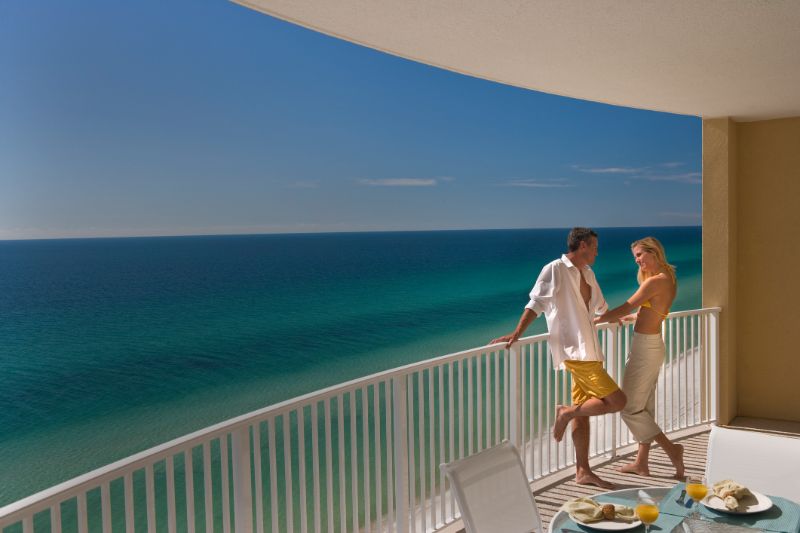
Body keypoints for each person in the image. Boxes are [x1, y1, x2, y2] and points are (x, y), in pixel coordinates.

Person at [491, 227, 626, 489]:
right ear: (583, 245)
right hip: (576, 351)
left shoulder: (588, 272)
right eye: (595, 247)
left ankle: (582, 471)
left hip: (591, 350)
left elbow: (600, 307)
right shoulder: (554, 268)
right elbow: (536, 303)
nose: (598, 252)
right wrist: (517, 332)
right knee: (618, 401)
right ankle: (564, 412)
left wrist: (616, 318)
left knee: (583, 412)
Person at [594, 236, 685, 479]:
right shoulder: (668, 277)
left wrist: (595, 320)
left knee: (629, 408)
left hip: (646, 349)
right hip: (651, 345)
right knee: (644, 406)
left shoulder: (654, 282)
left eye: (640, 255)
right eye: (635, 257)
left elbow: (626, 306)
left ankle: (672, 449)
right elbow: (653, 310)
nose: (637, 261)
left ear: (654, 252)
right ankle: (641, 463)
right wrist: (633, 318)